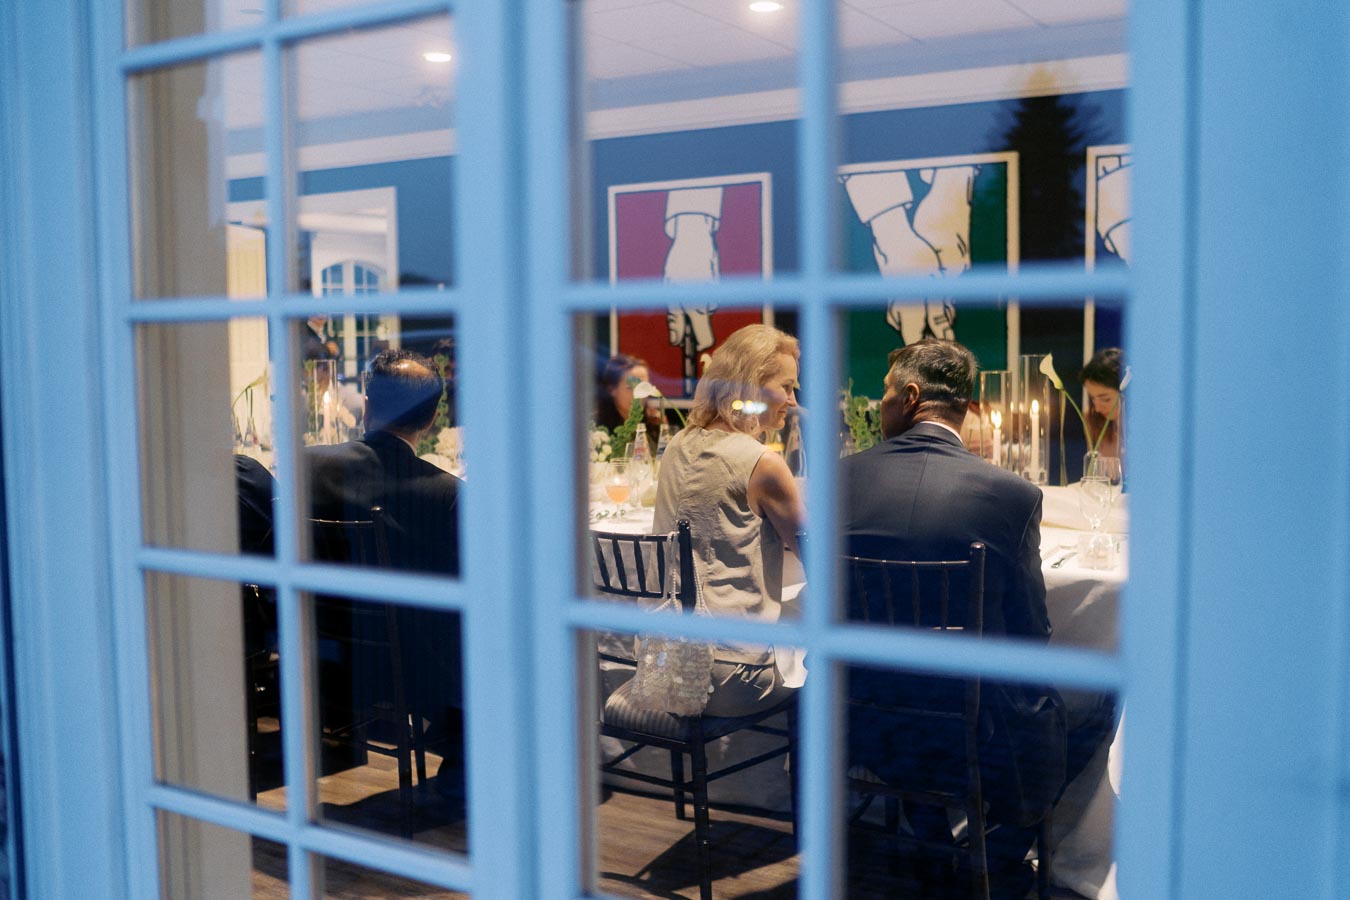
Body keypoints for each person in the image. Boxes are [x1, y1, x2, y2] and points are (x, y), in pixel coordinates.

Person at [840, 339, 1114, 897]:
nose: (880, 406)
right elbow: (1031, 634)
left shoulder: (841, 480)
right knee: (1097, 697)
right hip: (969, 725)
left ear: (911, 397)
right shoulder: (1009, 494)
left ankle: (932, 840)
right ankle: (1000, 852)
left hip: (861, 714)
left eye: (885, 395)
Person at [304, 348, 465, 812]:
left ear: (368, 406)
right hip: (405, 673)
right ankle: (463, 767)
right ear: (432, 419)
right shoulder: (447, 495)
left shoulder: (306, 467)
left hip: (320, 655)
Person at [651, 323, 803, 718]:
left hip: (665, 662)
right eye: (786, 386)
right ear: (751, 386)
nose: (793, 398)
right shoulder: (762, 463)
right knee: (831, 663)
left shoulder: (677, 445)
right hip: (730, 674)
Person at [1079, 346, 1125, 464]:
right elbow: (1094, 472)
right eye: (1092, 398)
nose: (1098, 408)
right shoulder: (1092, 418)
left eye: (1106, 399)